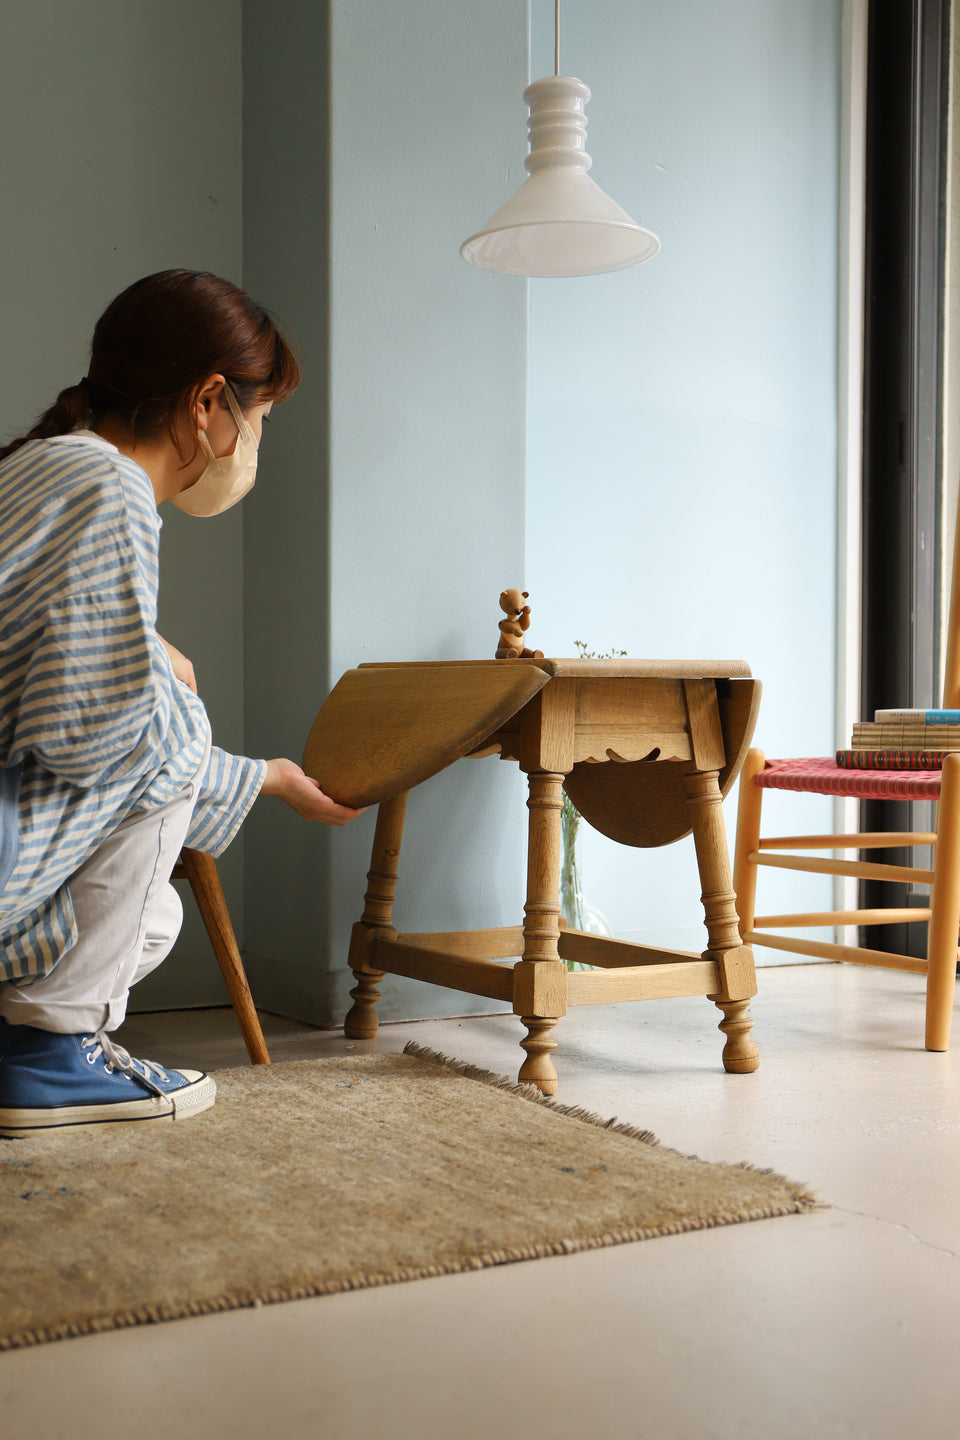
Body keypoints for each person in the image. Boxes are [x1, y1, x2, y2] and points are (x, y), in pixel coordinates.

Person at [0, 269, 361, 1136]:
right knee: (174, 715)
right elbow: (94, 740)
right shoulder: (108, 486)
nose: (254, 441)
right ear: (208, 400)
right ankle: (50, 1057)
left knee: (152, 916)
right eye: (260, 416)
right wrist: (160, 674)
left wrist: (265, 776)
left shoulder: (39, 469)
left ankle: (26, 1042)